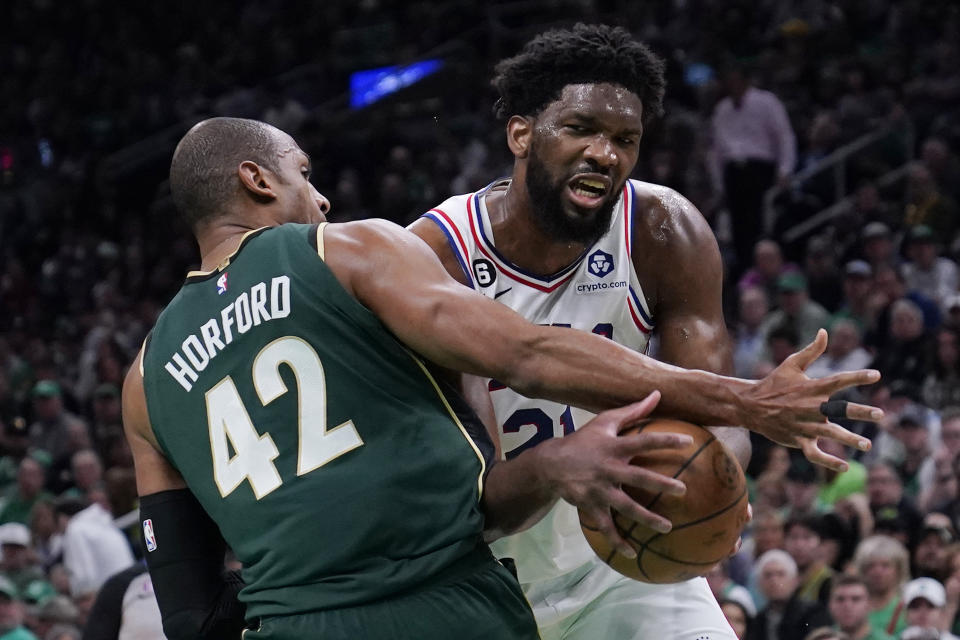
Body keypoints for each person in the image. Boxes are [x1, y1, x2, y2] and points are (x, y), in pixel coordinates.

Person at [125, 115, 880, 640]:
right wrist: (744, 400)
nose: (319, 196)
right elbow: (527, 354)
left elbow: (190, 615)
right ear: (256, 179)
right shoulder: (342, 250)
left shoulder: (143, 376)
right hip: (446, 602)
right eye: (304, 174)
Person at [409, 23, 879, 640]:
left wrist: (712, 485)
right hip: (477, 580)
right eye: (580, 129)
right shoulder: (436, 256)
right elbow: (476, 499)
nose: (605, 153)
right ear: (521, 134)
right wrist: (565, 467)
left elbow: (717, 415)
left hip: (621, 568)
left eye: (624, 139)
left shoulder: (662, 231)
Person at [709, 64, 797, 275]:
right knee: (738, 229)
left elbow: (784, 136)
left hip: (760, 169)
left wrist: (785, 170)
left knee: (761, 223)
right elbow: (716, 151)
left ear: (746, 81)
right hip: (733, 173)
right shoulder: (722, 110)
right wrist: (719, 184)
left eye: (736, 80)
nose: (733, 85)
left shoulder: (766, 102)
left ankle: (767, 266)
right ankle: (745, 271)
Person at [747, 549, 831, 640]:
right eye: (768, 575)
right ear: (759, 583)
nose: (774, 581)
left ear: (795, 580)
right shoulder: (758, 620)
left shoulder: (813, 613)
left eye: (781, 574)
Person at [828, 574, 893, 640]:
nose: (847, 606)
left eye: (856, 599)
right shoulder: (821, 637)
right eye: (840, 599)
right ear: (830, 604)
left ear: (869, 604)